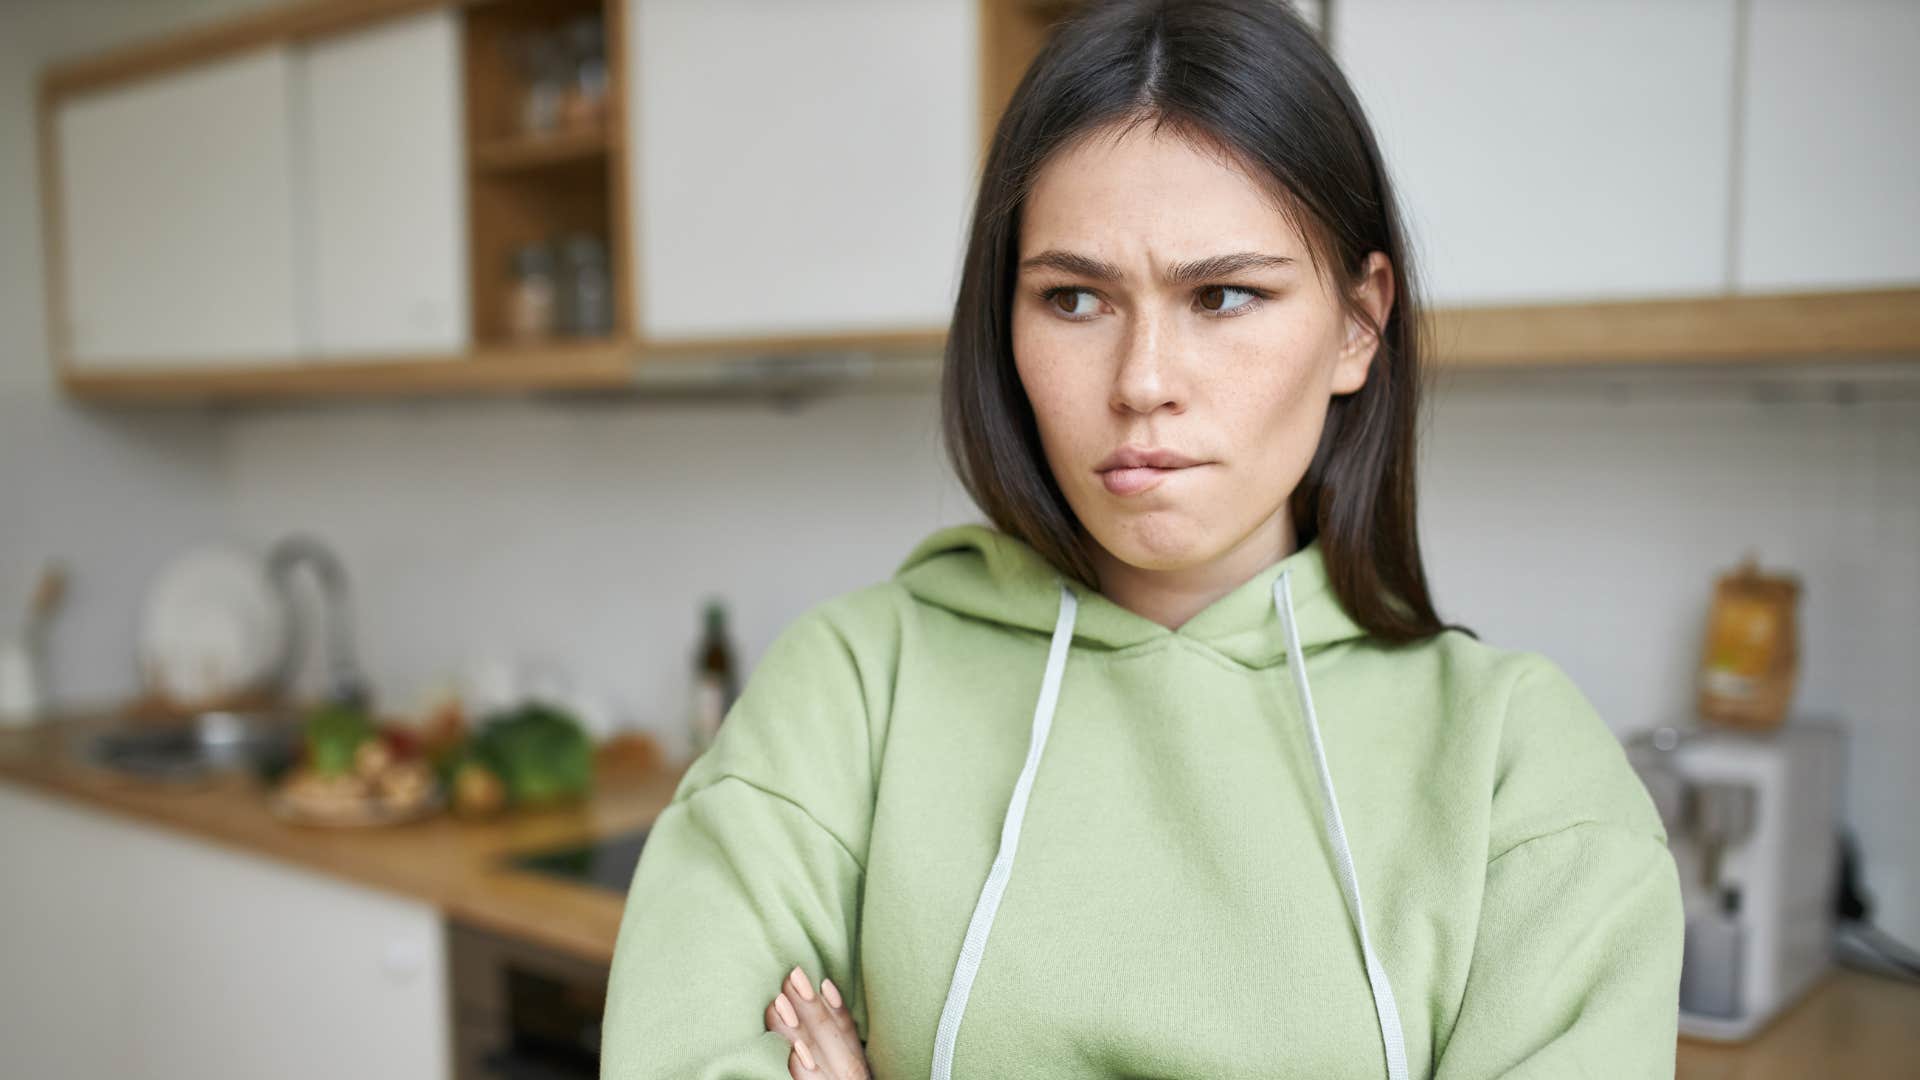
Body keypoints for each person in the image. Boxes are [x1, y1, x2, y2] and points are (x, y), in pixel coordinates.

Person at [600, 1, 1683, 1077]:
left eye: (1224, 295)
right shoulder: (849, 689)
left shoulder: (1521, 769)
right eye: (1073, 299)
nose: (1143, 383)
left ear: (1359, 323)